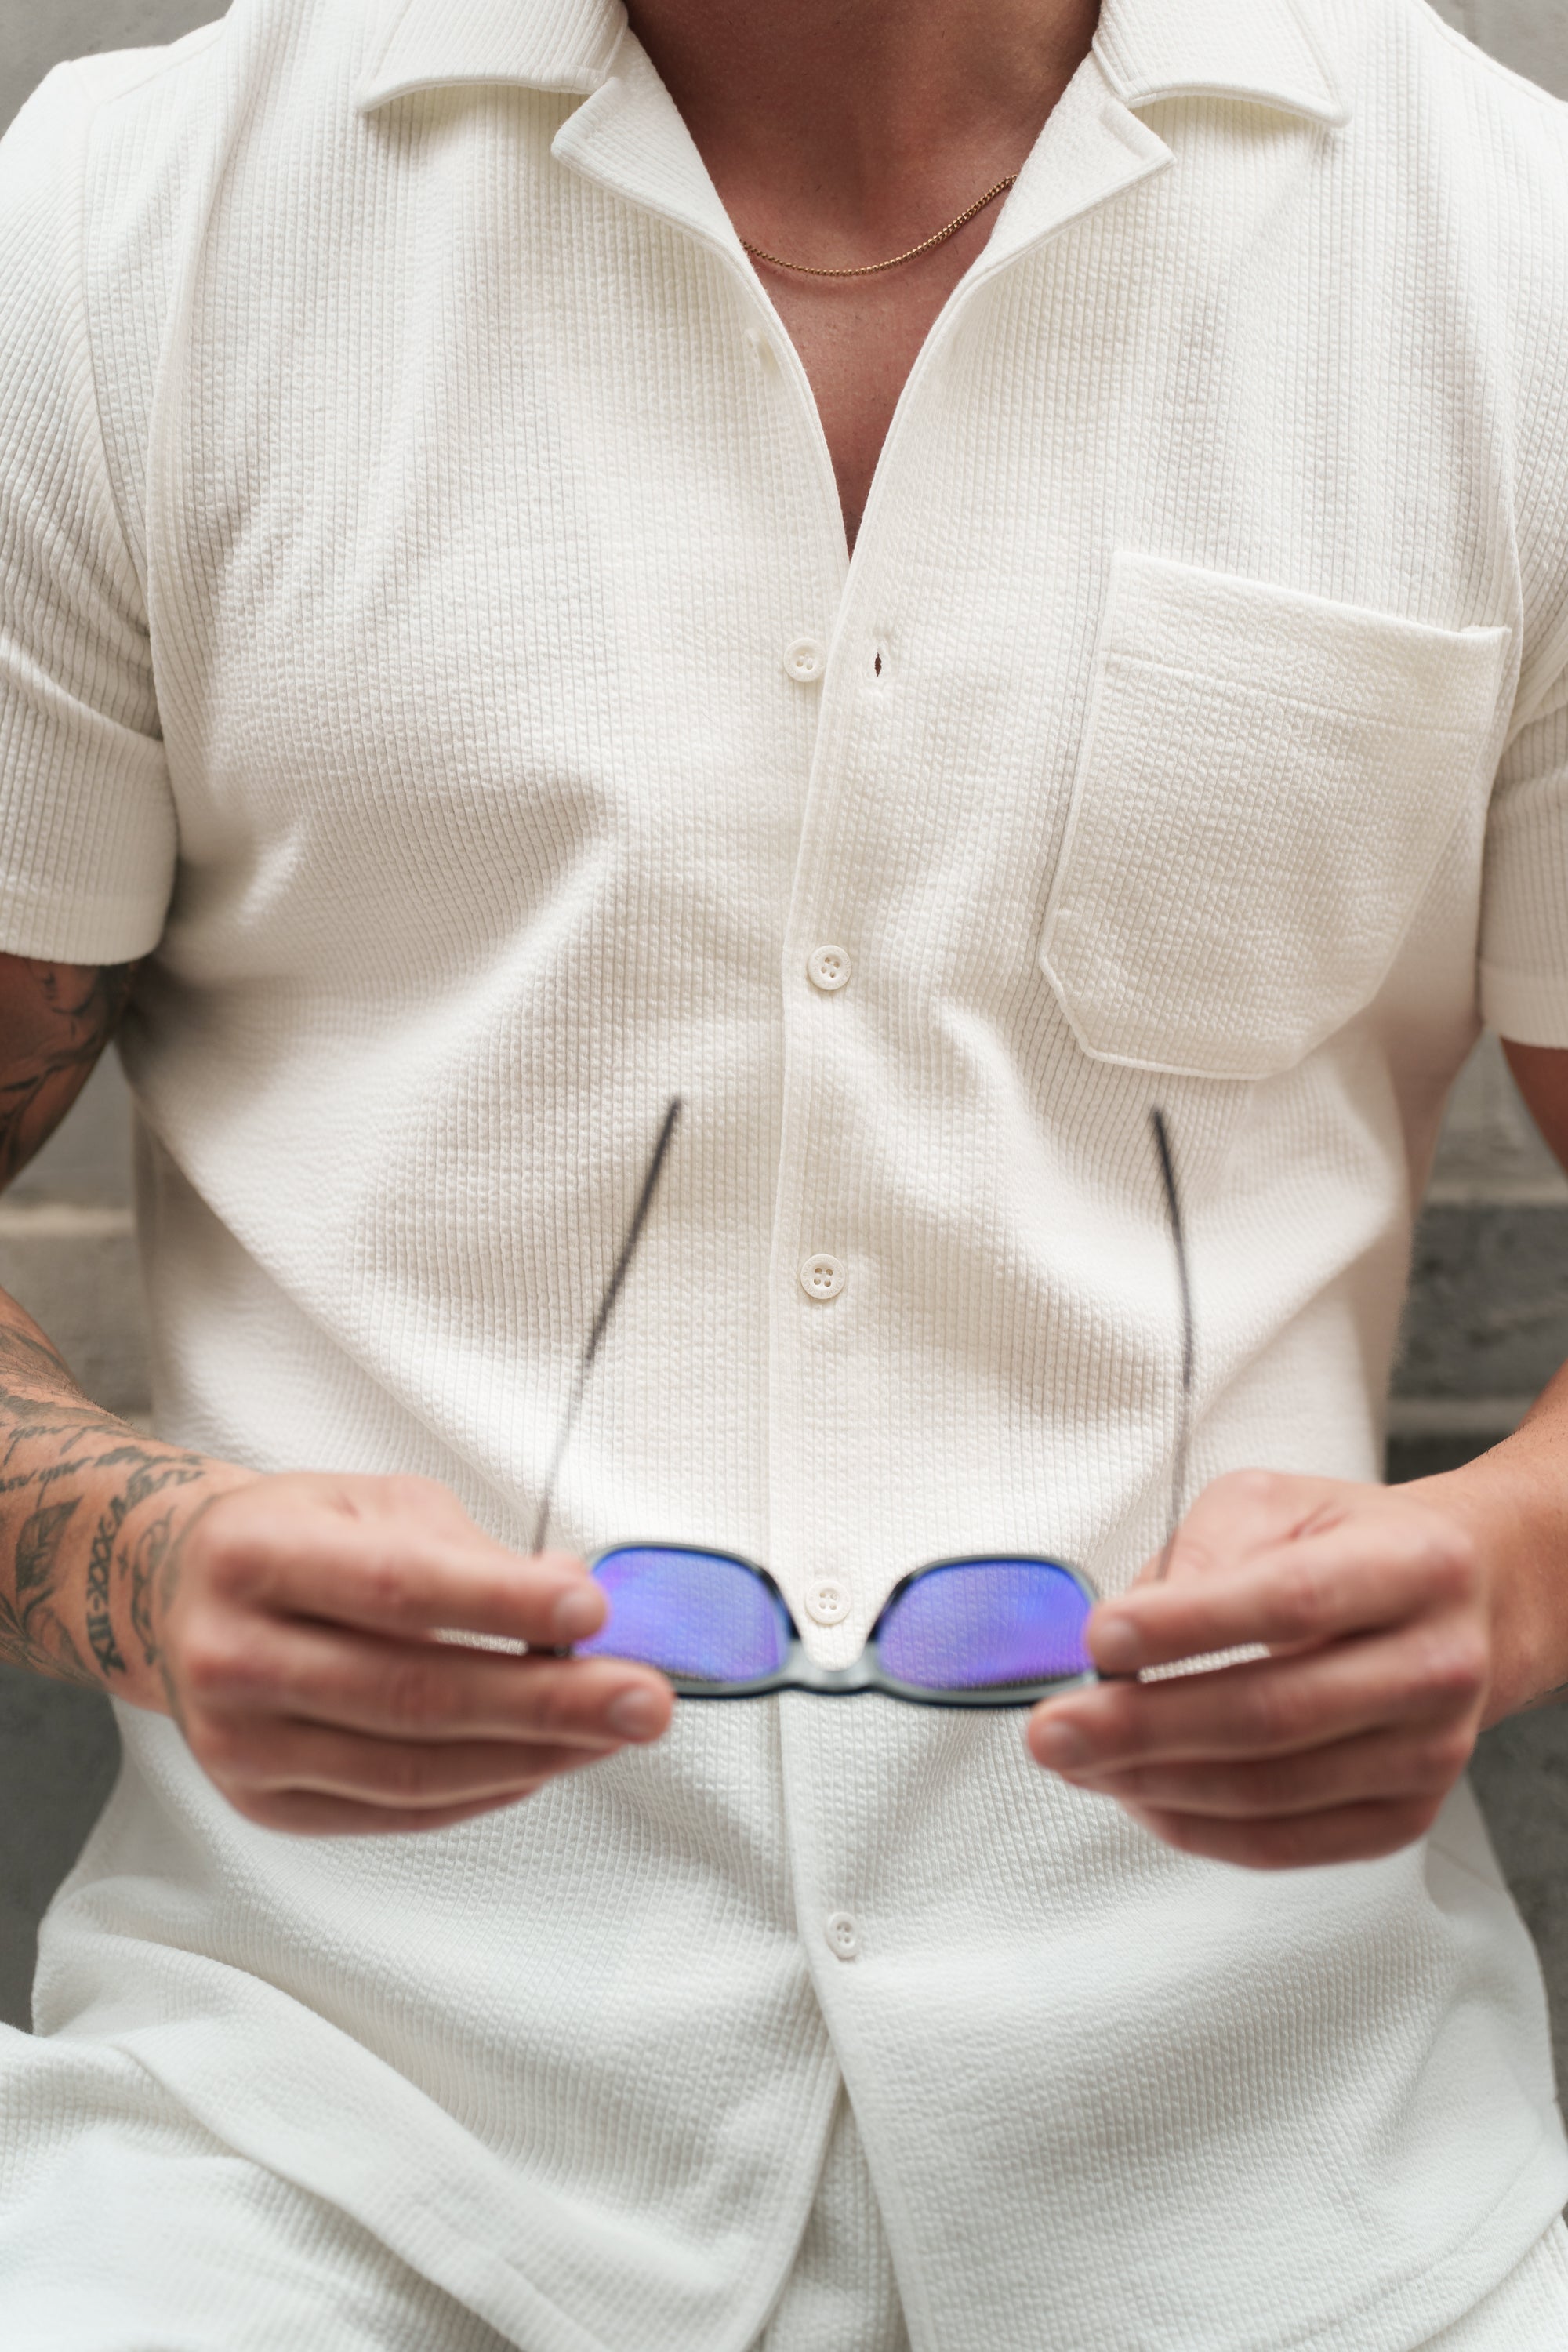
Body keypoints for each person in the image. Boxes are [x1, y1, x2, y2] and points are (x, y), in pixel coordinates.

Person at [2, 0, 1568, 2340]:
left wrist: (1516, 1566)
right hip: (310, 2157)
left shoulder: (1511, 260)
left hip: (1298, 2190)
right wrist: (133, 1564)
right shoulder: (122, 242)